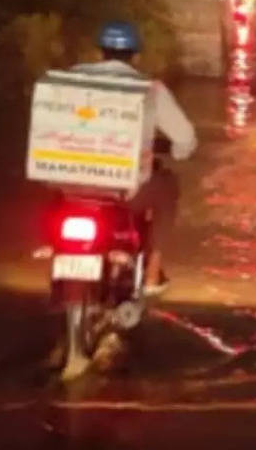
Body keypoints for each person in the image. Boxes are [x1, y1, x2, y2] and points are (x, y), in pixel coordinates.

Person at [70, 21, 196, 295]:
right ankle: (152, 272)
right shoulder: (149, 88)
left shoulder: (72, 79)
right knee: (167, 187)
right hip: (123, 192)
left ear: (98, 53)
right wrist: (178, 151)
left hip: (70, 188)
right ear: (136, 56)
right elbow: (185, 137)